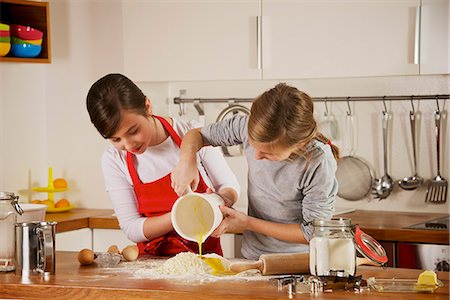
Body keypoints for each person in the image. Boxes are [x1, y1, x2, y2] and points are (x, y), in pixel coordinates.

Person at [171, 83, 339, 260]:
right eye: (252, 144)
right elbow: (197, 135)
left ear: (299, 145)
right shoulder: (245, 125)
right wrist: (187, 161)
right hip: (253, 257)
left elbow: (313, 233)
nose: (256, 156)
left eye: (269, 153)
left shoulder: (318, 161)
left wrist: (247, 224)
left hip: (298, 263)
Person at [86, 73, 239, 257]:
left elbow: (230, 187)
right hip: (149, 267)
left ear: (147, 106)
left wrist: (218, 202)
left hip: (206, 263)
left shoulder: (193, 134)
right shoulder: (114, 159)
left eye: (133, 131)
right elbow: (131, 227)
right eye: (116, 139)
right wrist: (182, 215)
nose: (128, 145)